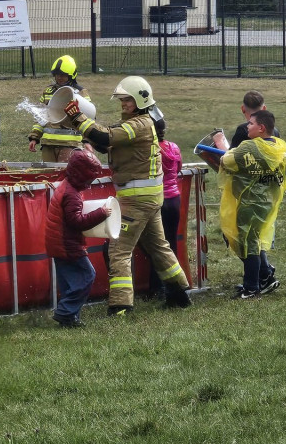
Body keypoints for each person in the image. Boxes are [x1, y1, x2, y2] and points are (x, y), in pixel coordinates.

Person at [63, 76, 192, 315]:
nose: (123, 103)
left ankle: (120, 306)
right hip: (149, 198)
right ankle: (179, 293)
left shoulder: (139, 125)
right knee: (159, 247)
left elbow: (106, 137)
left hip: (137, 200)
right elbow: (105, 144)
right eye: (122, 99)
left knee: (118, 250)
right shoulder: (138, 123)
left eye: (127, 100)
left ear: (140, 101)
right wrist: (79, 124)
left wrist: (78, 118)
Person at [218, 111, 286, 299]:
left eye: (251, 123)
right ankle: (265, 278)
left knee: (247, 243)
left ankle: (251, 287)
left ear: (261, 128)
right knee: (255, 240)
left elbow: (226, 161)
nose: (247, 126)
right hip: (269, 201)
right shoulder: (283, 148)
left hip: (250, 202)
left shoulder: (248, 148)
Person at [45, 150, 111, 327]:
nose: (90, 184)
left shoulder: (67, 186)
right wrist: (101, 213)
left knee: (69, 282)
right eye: (90, 179)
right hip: (67, 243)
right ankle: (65, 312)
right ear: (83, 175)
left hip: (57, 242)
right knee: (87, 275)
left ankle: (69, 317)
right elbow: (77, 222)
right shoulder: (72, 195)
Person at [228, 89, 281, 285]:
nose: (249, 124)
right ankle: (264, 273)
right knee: (256, 236)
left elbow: (230, 160)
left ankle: (260, 277)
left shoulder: (244, 132)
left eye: (251, 122)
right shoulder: (274, 132)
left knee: (240, 237)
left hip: (248, 193)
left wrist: (218, 146)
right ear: (264, 108)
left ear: (243, 109)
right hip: (267, 193)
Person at [28, 55, 91, 162]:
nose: (59, 78)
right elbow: (40, 116)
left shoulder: (80, 93)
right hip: (48, 143)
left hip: (70, 144)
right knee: (48, 176)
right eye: (57, 75)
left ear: (72, 76)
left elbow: (89, 118)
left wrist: (87, 141)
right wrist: (34, 137)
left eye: (63, 75)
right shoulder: (48, 91)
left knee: (65, 175)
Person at [146, 117, 181, 300]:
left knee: (156, 245)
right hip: (174, 199)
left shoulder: (149, 150)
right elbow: (178, 168)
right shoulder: (174, 147)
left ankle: (156, 288)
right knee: (171, 244)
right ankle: (174, 285)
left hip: (156, 200)